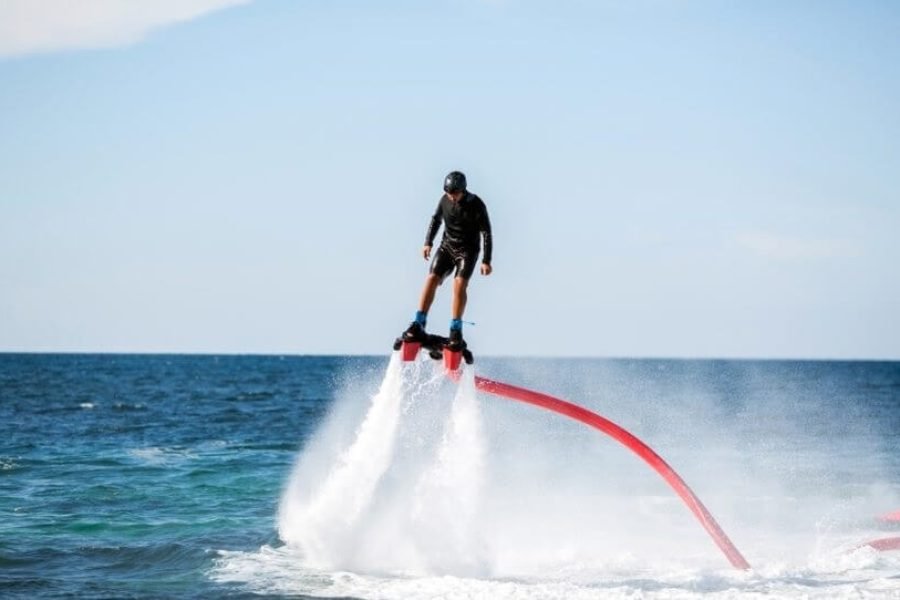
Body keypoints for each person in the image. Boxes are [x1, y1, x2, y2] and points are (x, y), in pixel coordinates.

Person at [403, 170, 493, 350]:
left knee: (459, 284)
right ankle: (419, 322)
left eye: (454, 194)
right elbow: (436, 220)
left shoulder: (476, 204)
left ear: (463, 190)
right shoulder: (444, 200)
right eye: (448, 193)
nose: (451, 197)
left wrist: (486, 260)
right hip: (447, 247)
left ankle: (455, 329)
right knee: (431, 278)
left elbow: (486, 233)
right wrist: (427, 242)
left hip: (467, 251)